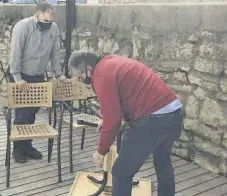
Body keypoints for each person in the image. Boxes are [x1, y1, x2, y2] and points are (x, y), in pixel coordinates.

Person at [68, 51, 183, 196]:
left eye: (81, 76)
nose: (82, 81)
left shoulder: (101, 76)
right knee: (162, 161)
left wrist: (100, 151)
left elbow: (113, 120)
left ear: (88, 68)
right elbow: (124, 97)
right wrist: (107, 120)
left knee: (121, 172)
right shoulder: (111, 62)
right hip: (174, 111)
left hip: (153, 121)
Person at [9, 3, 65, 163]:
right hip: (21, 75)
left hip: (38, 75)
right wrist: (17, 77)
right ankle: (17, 149)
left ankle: (27, 146)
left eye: (50, 21)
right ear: (38, 14)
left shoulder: (53, 28)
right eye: (45, 21)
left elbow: (55, 52)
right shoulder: (23, 26)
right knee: (21, 114)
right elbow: (15, 51)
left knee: (32, 113)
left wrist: (58, 74)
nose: (48, 24)